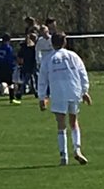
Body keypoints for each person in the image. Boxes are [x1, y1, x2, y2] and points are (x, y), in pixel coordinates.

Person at [36, 32, 90, 166]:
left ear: (52, 43)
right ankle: (77, 149)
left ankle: (63, 156)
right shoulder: (73, 56)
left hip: (58, 93)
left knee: (61, 124)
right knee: (74, 122)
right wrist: (85, 91)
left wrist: (42, 96)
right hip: (73, 91)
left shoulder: (48, 59)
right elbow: (82, 73)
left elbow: (42, 79)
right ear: (64, 42)